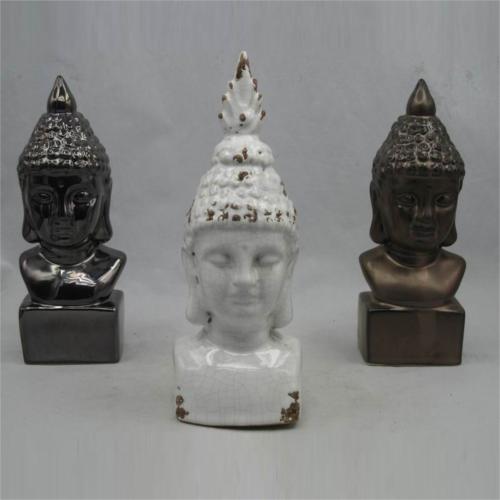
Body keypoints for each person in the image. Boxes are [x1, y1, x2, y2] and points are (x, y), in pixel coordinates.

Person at [175, 52, 301, 427]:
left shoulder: (288, 358)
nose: (245, 280)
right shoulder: (187, 358)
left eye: (265, 259)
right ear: (192, 266)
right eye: (221, 259)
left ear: (290, 266)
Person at [18, 76, 126, 306]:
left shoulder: (110, 265)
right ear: (25, 199)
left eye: (80, 198)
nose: (62, 214)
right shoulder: (29, 265)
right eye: (44, 197)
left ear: (104, 196)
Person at [360, 79, 466, 308]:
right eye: (408, 200)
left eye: (442, 200)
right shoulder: (372, 265)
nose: (425, 216)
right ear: (377, 200)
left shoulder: (454, 269)